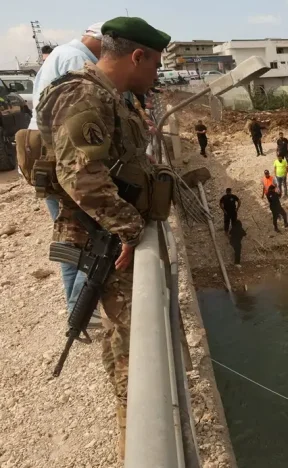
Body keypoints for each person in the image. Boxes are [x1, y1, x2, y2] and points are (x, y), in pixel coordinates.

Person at [35, 16, 171, 459]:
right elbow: (82, 177)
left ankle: (132, 428)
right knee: (130, 348)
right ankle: (139, 437)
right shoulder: (83, 94)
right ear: (137, 56)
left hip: (108, 237)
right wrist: (130, 228)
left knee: (124, 339)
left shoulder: (110, 97)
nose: (156, 75)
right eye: (155, 65)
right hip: (105, 241)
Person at [28, 21, 104, 322]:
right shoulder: (78, 61)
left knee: (69, 235)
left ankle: (76, 305)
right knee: (91, 235)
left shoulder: (61, 53)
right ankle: (81, 307)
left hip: (46, 158)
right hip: (63, 158)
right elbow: (82, 124)